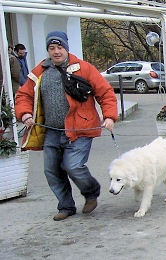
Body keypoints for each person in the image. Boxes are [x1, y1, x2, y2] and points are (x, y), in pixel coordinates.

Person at [15, 31, 118, 221]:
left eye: (59, 47)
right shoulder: (40, 71)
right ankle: (66, 206)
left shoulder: (84, 68)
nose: (56, 52)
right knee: (52, 171)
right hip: (52, 131)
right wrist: (25, 113)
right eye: (52, 48)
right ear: (48, 50)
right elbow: (24, 95)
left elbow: (105, 93)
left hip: (80, 129)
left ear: (66, 48)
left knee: (73, 166)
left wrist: (109, 116)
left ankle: (91, 192)